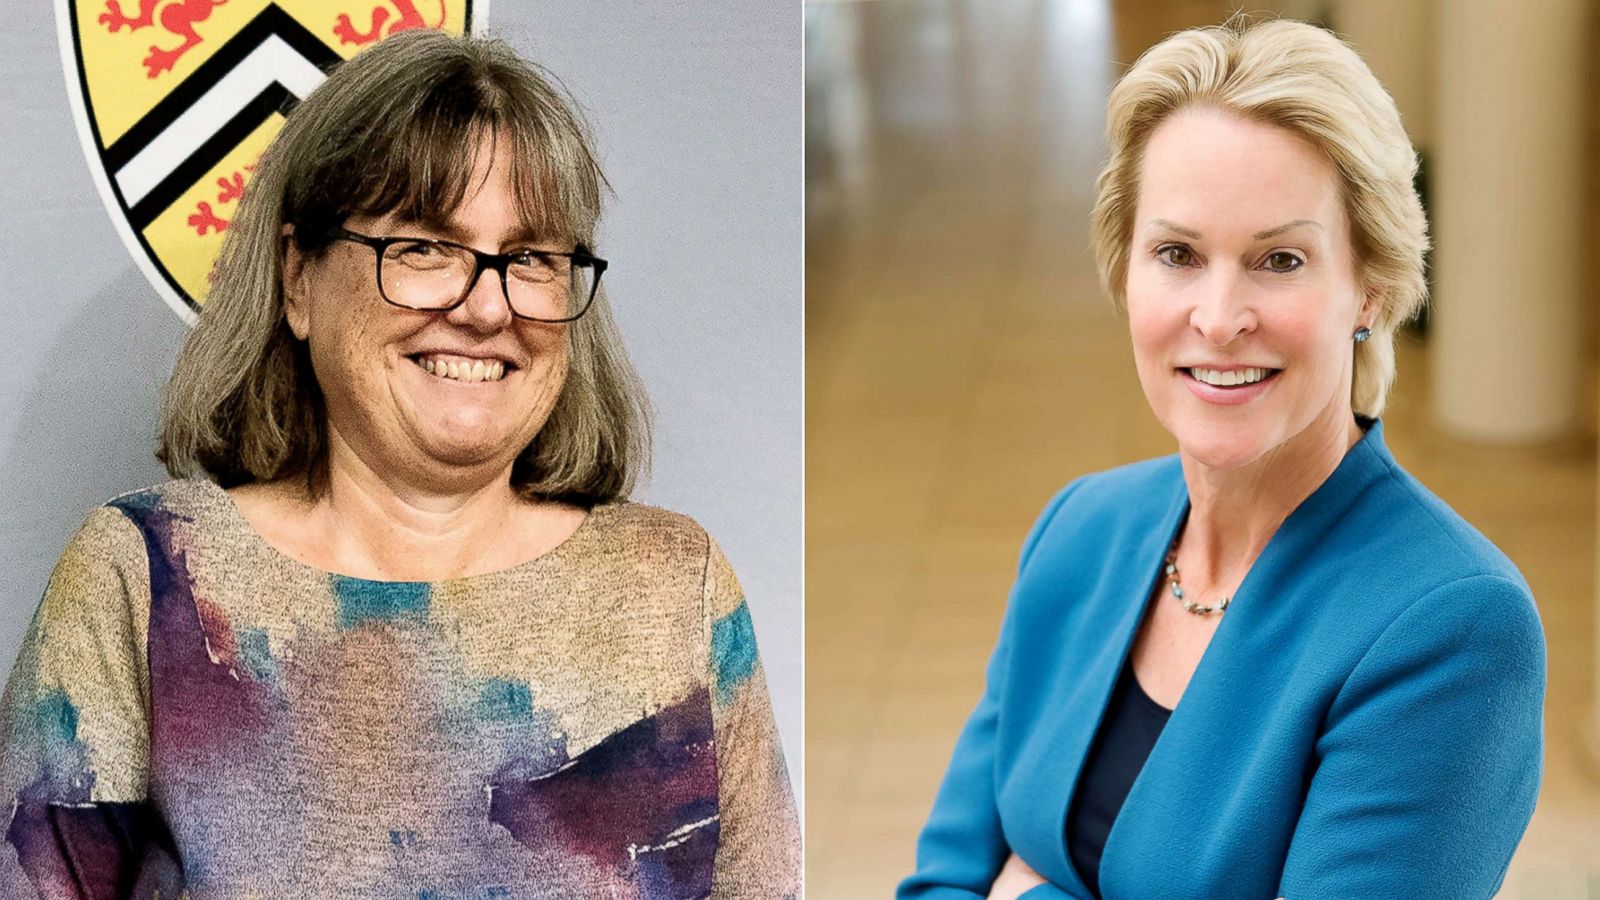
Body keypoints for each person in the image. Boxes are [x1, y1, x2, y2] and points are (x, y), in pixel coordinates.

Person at [0, 29, 799, 898]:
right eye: (424, 246)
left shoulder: (675, 594)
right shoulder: (144, 582)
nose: (487, 307)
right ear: (298, 276)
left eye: (530, 258)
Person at [900, 18, 1544, 900]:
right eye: (1177, 254)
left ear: (1371, 287)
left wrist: (1030, 892)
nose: (1218, 315)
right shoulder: (1078, 532)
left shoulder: (1454, 628)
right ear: (1125, 272)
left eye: (1279, 260)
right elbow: (938, 883)